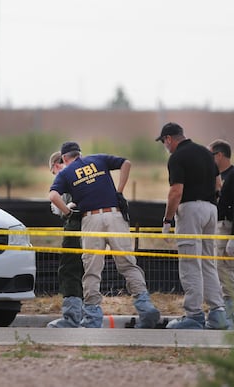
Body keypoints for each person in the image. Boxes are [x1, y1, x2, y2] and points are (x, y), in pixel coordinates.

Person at [49, 141, 160, 329]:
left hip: (91, 219)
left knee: (92, 270)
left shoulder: (67, 172)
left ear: (65, 158)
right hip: (116, 216)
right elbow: (126, 163)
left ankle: (92, 318)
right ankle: (145, 307)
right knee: (128, 265)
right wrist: (119, 191)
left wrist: (67, 213)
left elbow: (53, 196)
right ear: (80, 153)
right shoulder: (98, 159)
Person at [156, 122, 227, 330]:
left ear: (169, 139)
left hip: (190, 210)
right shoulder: (206, 153)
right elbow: (218, 184)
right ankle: (218, 313)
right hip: (211, 209)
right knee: (207, 262)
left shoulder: (177, 157)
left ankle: (194, 314)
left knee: (189, 261)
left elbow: (176, 191)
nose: (165, 146)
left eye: (163, 142)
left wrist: (167, 220)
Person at [209, 138, 234, 327]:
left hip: (230, 227)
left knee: (226, 271)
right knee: (219, 271)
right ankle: (226, 311)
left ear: (220, 154)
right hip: (219, 227)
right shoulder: (217, 177)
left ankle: (233, 315)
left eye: (211, 155)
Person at [46, 151, 85, 328]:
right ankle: (88, 315)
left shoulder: (64, 176)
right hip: (94, 226)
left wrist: (67, 212)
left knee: (69, 269)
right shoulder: (86, 172)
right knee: (88, 271)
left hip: (76, 228)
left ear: (56, 166)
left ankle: (72, 317)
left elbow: (59, 203)